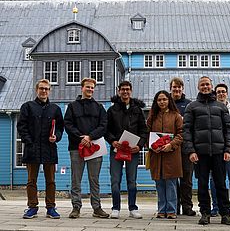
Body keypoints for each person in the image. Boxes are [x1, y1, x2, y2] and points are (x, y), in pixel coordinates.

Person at [183, 76, 230, 225]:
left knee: (221, 183)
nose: (205, 87)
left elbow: (228, 130)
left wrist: (228, 149)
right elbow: (187, 130)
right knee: (202, 184)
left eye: (207, 84)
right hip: (200, 153)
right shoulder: (191, 107)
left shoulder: (221, 106)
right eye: (202, 85)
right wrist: (191, 151)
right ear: (198, 87)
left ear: (211, 86)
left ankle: (225, 214)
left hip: (219, 152)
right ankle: (205, 213)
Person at [17, 79, 64, 219]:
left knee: (51, 181)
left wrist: (56, 136)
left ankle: (51, 208)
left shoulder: (55, 109)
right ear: (36, 90)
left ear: (49, 91)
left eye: (46, 89)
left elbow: (60, 128)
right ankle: (32, 207)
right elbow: (21, 127)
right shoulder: (27, 107)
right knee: (32, 180)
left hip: (49, 148)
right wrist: (29, 142)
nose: (44, 91)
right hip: (32, 149)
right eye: (41, 88)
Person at [64, 78, 109, 219]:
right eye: (88, 87)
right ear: (81, 88)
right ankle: (76, 207)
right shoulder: (72, 106)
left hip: (95, 147)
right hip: (76, 147)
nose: (90, 89)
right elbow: (68, 124)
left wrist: (90, 137)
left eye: (92, 88)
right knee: (75, 179)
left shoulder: (99, 107)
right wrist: (81, 138)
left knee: (94, 179)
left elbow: (103, 125)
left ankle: (97, 208)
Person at [105, 81, 148, 219]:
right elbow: (106, 129)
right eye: (123, 89)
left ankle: (133, 208)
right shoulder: (112, 110)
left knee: (132, 180)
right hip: (116, 149)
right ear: (119, 91)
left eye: (127, 89)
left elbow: (143, 130)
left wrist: (140, 145)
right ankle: (115, 208)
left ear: (131, 91)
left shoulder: (138, 110)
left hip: (133, 150)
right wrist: (112, 141)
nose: (125, 92)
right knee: (115, 179)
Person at [147, 90, 183, 219]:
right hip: (156, 156)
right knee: (159, 183)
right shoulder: (152, 117)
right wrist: (151, 146)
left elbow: (181, 134)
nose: (162, 102)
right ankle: (161, 210)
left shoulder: (176, 116)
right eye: (159, 100)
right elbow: (147, 134)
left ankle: (172, 210)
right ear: (156, 102)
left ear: (169, 101)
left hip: (172, 155)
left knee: (171, 183)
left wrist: (171, 145)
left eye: (164, 99)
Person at [210, 83, 230, 217]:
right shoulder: (210, 109)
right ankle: (215, 206)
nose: (221, 94)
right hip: (214, 149)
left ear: (227, 93)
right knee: (214, 179)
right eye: (218, 92)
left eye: (223, 91)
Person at [169, 77, 195, 216]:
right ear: (171, 89)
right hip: (171, 146)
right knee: (173, 178)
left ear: (182, 89)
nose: (177, 90)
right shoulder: (166, 103)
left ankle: (187, 206)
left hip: (186, 146)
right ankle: (174, 206)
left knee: (186, 178)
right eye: (174, 87)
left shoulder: (189, 105)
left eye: (179, 88)